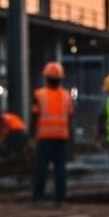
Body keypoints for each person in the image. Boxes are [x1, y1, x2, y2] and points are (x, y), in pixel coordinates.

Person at [30, 61, 72, 205]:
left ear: (46, 78)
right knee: (60, 170)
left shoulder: (39, 94)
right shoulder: (67, 96)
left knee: (41, 169)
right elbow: (70, 118)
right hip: (61, 138)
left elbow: (34, 117)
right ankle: (60, 198)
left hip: (44, 138)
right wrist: (70, 140)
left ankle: (37, 197)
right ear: (61, 78)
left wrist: (31, 136)